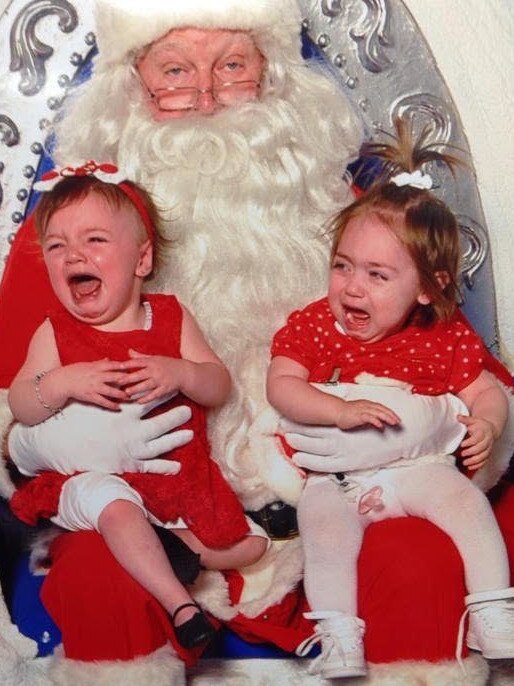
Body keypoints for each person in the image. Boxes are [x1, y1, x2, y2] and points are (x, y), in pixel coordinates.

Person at [0, 0, 512, 683]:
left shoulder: (357, 217)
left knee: (418, 559)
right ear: (133, 87)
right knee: (98, 572)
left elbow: (464, 368)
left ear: (274, 76)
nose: (209, 96)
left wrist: (440, 429)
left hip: (345, 527)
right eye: (177, 71)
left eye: (233, 65)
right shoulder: (75, 238)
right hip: (158, 541)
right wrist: (37, 442)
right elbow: (11, 406)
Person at [266, 121, 514, 679]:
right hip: (338, 479)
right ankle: (335, 632)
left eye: (377, 275)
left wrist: (490, 425)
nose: (352, 287)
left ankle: (493, 607)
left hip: (416, 467)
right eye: (342, 266)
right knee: (326, 534)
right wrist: (338, 411)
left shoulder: (444, 334)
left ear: (428, 287)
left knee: (467, 507)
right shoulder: (315, 325)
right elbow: (281, 384)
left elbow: (485, 391)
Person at [6, 164, 268, 651]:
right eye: (57, 246)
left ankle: (176, 548)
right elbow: (23, 403)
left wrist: (182, 372)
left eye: (95, 241)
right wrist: (61, 382)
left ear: (142, 259)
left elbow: (218, 385)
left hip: (176, 485)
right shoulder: (55, 334)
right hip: (97, 488)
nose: (73, 255)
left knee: (253, 544)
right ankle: (174, 593)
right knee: (117, 509)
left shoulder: (170, 316)